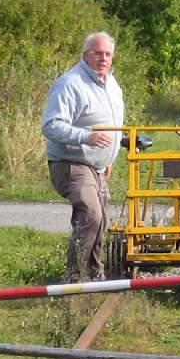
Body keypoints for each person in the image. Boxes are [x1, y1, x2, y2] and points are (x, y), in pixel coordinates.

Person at [42, 32, 125, 282]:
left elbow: (112, 124)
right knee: (90, 214)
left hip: (97, 166)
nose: (102, 58)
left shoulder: (111, 83)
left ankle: (95, 275)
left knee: (102, 221)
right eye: (97, 53)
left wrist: (108, 158)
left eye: (107, 54)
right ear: (85, 55)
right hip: (71, 162)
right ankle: (74, 278)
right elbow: (51, 125)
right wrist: (86, 137)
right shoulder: (70, 84)